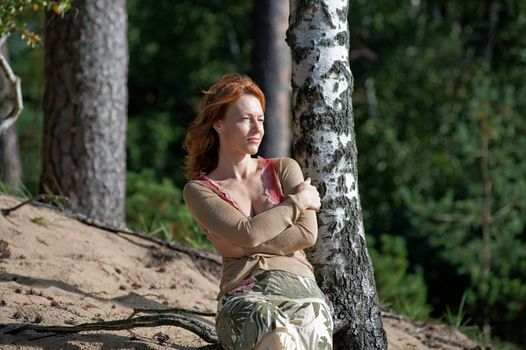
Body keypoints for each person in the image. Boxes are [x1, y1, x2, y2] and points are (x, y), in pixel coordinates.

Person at [182, 74, 333, 350]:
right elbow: (248, 233)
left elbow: (307, 234)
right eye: (244, 119)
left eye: (260, 119)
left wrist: (243, 245)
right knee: (273, 333)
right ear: (218, 124)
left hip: (302, 294)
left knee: (308, 327)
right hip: (243, 295)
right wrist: (297, 202)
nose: (257, 129)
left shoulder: (284, 169)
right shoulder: (199, 191)